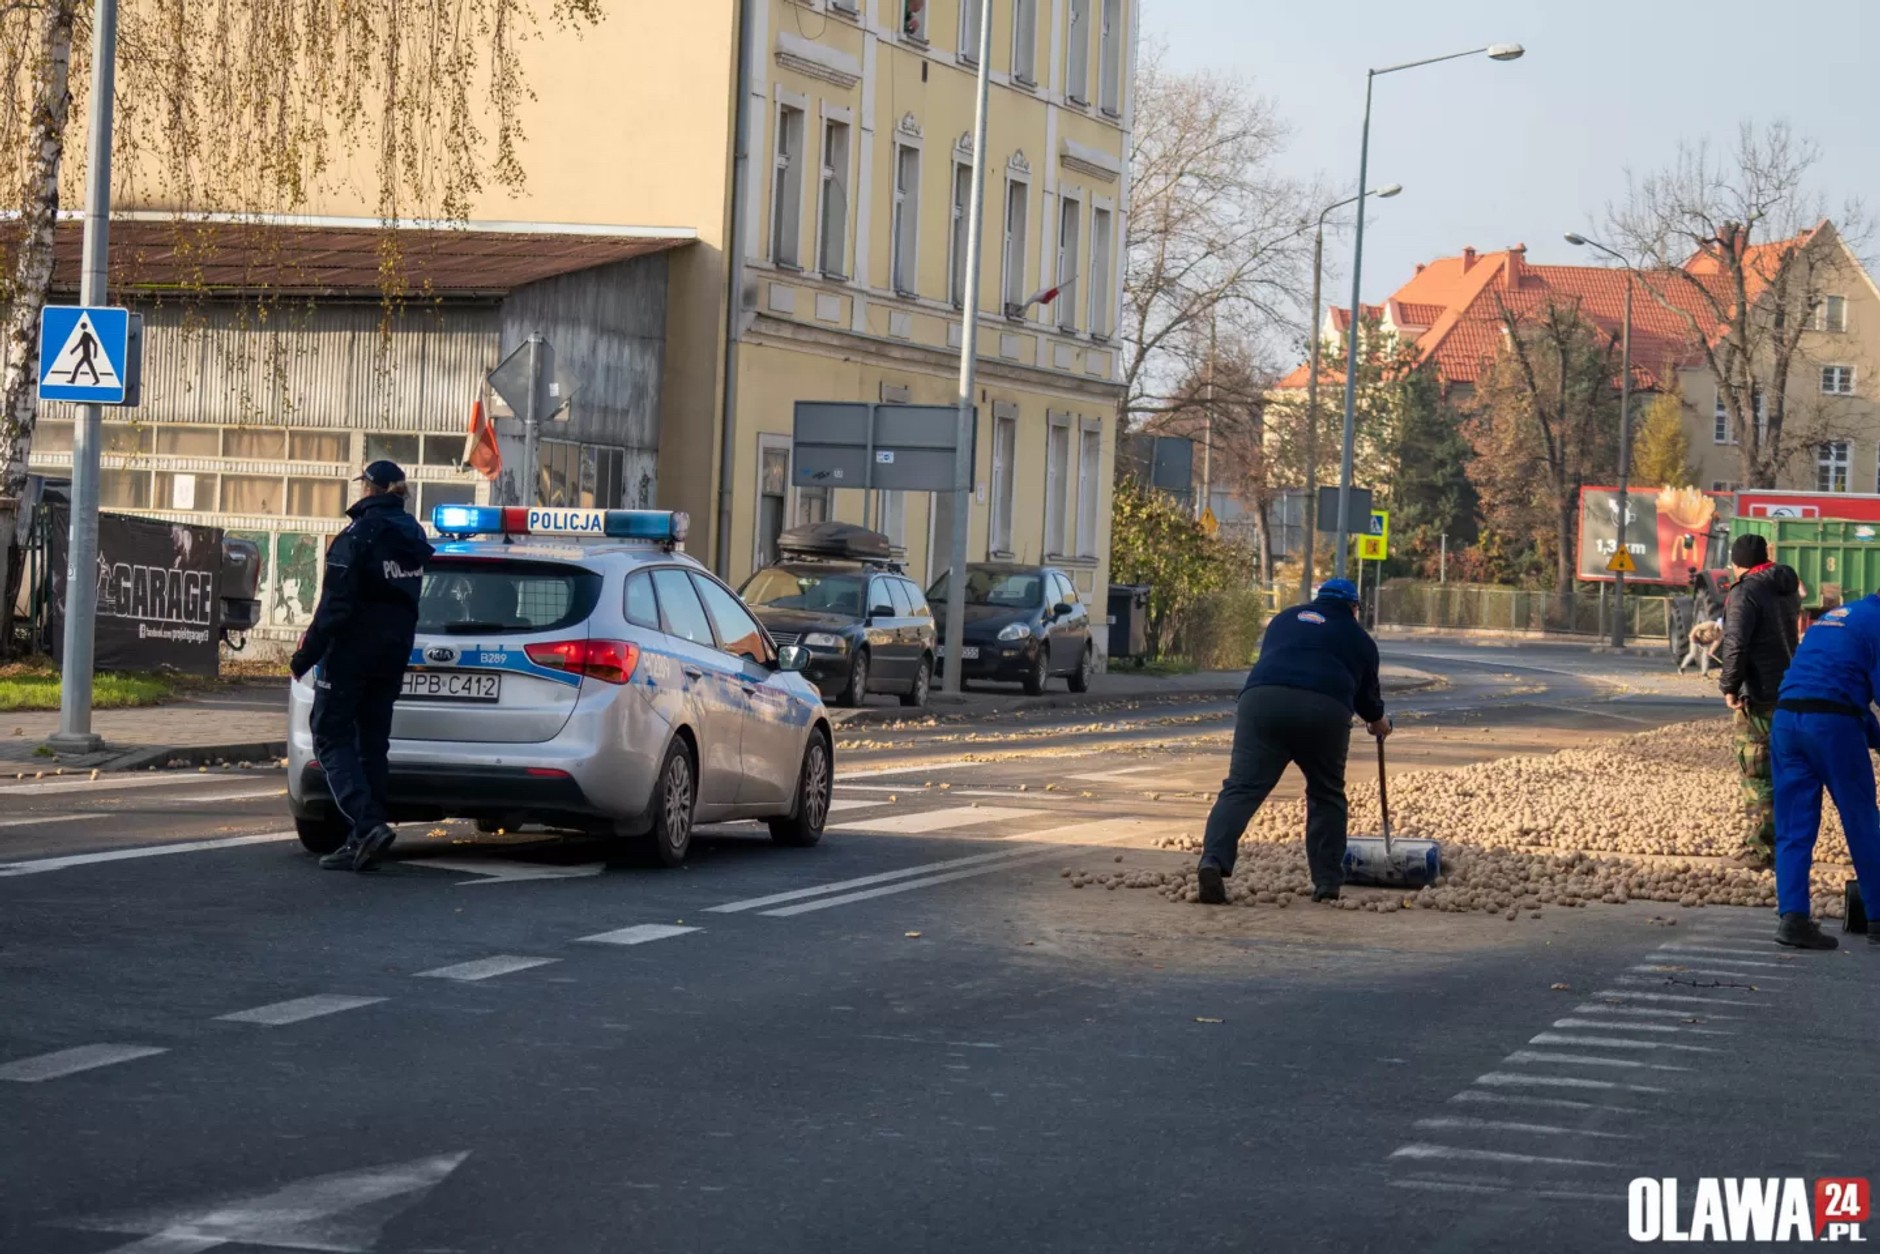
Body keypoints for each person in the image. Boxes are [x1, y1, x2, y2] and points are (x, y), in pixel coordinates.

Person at [1195, 578, 1390, 906]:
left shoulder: (1284, 618)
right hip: (1323, 710)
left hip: (1262, 701)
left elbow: (1280, 659)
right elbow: (1368, 701)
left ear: (1318, 599)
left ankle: (1212, 860)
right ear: (1354, 608)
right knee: (1326, 793)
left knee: (1241, 789)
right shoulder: (1360, 639)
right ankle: (1327, 882)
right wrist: (1379, 723)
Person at [289, 461, 435, 872]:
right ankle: (363, 837)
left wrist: (305, 657)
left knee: (330, 735)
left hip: (352, 651)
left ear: (370, 489)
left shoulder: (357, 535)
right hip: (394, 651)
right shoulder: (413, 535)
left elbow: (335, 606)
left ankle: (367, 823)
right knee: (372, 742)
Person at [1768, 594, 1880, 950]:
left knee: (1792, 825)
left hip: (1786, 721)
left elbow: (1833, 685)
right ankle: (1878, 917)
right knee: (1861, 819)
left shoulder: (1839, 616)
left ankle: (1793, 919)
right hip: (1832, 726)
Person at [1717, 533, 1801, 870]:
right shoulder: (1785, 587)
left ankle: (1762, 851)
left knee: (1757, 773)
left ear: (1737, 563)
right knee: (1785, 770)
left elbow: (1736, 642)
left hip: (1759, 694)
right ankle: (1788, 843)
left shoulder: (1745, 591)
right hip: (1788, 690)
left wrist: (1729, 686)